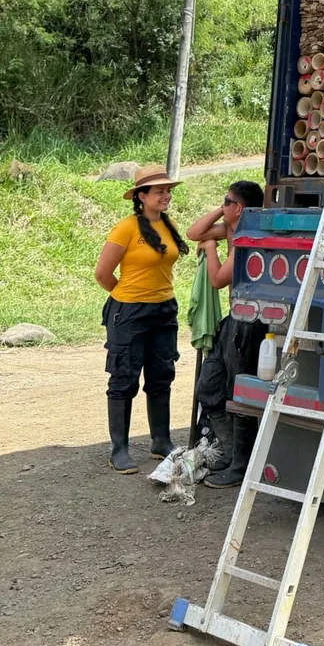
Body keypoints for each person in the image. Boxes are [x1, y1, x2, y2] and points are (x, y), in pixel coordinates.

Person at [94, 163, 190, 474]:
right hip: (130, 312)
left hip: (164, 310)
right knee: (124, 378)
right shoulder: (126, 228)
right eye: (160, 191)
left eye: (168, 191)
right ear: (142, 196)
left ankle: (160, 441)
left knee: (161, 375)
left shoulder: (168, 223)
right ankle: (118, 449)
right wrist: (128, 296)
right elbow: (103, 274)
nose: (166, 196)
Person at [186, 180, 266, 489]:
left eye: (226, 201)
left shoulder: (247, 236)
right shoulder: (230, 229)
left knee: (238, 392)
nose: (221, 206)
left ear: (240, 208)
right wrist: (221, 211)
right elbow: (194, 232)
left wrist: (209, 249)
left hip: (247, 321)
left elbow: (219, 278)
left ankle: (241, 464)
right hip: (232, 319)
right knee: (209, 386)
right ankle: (230, 452)